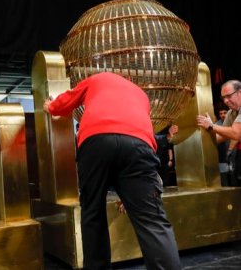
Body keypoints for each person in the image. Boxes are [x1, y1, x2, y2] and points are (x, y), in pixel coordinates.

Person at [43, 72, 181, 269]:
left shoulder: (98, 78)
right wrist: (129, 195)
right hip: (139, 146)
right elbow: (137, 132)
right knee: (152, 220)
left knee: (93, 212)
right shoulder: (141, 94)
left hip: (96, 141)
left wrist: (51, 106)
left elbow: (68, 100)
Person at [197, 80, 241, 186]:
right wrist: (198, 144)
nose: (225, 101)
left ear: (239, 92)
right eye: (223, 98)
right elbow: (220, 136)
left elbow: (236, 134)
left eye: (229, 96)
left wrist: (211, 126)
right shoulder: (231, 113)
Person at [214, 102, 232, 186]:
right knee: (224, 181)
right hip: (222, 157)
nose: (222, 115)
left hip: (234, 155)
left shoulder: (234, 123)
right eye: (220, 113)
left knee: (235, 179)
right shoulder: (216, 125)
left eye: (225, 113)